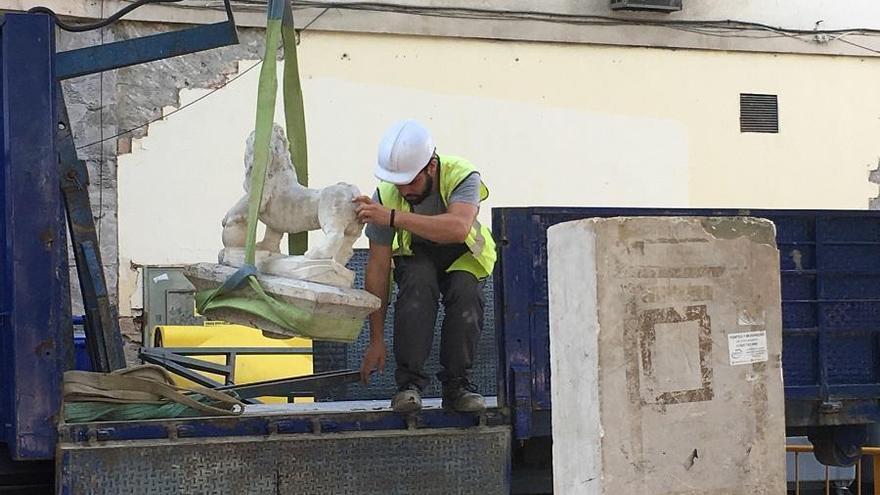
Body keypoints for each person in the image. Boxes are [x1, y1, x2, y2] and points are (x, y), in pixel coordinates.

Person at [354, 120, 496, 413]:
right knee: (417, 284)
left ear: (431, 166)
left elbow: (458, 227)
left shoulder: (461, 174)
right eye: (399, 183)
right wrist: (376, 340)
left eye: (412, 181)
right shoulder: (386, 195)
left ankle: (458, 386)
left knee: (465, 291)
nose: (405, 190)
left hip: (462, 255)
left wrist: (392, 217)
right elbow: (378, 270)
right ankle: (409, 386)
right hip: (418, 255)